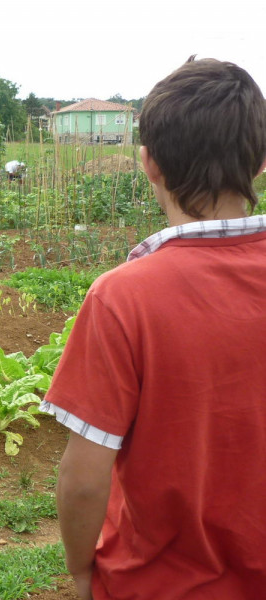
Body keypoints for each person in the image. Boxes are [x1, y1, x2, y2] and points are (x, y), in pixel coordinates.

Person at [46, 57, 266, 600]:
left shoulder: (124, 298)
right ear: (260, 161)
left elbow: (84, 479)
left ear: (149, 163)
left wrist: (80, 570)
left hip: (157, 583)